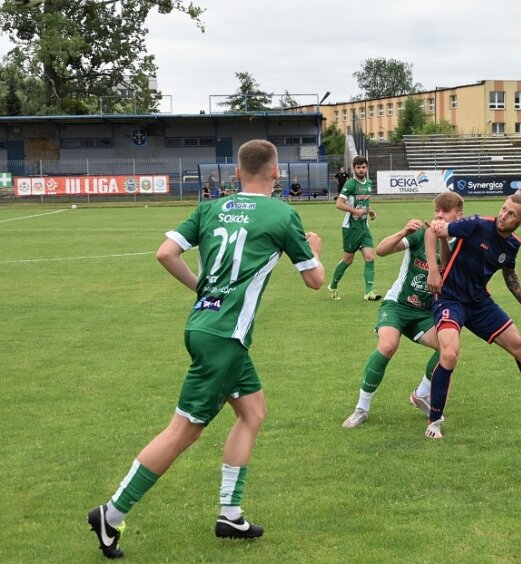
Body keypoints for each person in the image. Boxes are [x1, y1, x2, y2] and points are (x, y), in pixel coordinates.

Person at [87, 139, 324, 559]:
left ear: (236, 174)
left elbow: (165, 252)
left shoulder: (211, 207)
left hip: (206, 327)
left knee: (253, 412)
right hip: (224, 339)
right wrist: (316, 252)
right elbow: (314, 280)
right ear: (276, 173)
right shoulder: (283, 214)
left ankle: (230, 514)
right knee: (183, 431)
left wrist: (204, 291)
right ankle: (112, 512)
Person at [424, 192, 521, 440]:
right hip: (450, 298)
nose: (504, 216)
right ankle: (434, 420)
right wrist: (434, 271)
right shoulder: (476, 224)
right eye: (504, 209)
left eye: (512, 214)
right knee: (449, 353)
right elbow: (433, 231)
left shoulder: (512, 244)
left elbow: (509, 274)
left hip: (479, 303)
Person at [342, 191, 464, 429]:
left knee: (448, 349)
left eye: (446, 212)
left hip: (426, 313)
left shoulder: (460, 243)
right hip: (397, 305)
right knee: (387, 345)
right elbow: (381, 250)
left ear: (459, 215)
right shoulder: (420, 233)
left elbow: (453, 268)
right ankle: (361, 408)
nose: (439, 215)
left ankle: (421, 394)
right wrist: (403, 232)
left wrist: (441, 239)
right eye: (437, 211)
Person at [327, 155, 380, 301]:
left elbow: (365, 203)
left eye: (363, 167)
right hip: (350, 228)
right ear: (353, 169)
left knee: (370, 258)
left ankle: (369, 292)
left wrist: (371, 211)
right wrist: (355, 211)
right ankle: (333, 285)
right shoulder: (350, 184)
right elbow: (339, 204)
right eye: (358, 167)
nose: (361, 170)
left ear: (367, 168)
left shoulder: (368, 183)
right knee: (347, 260)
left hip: (364, 227)